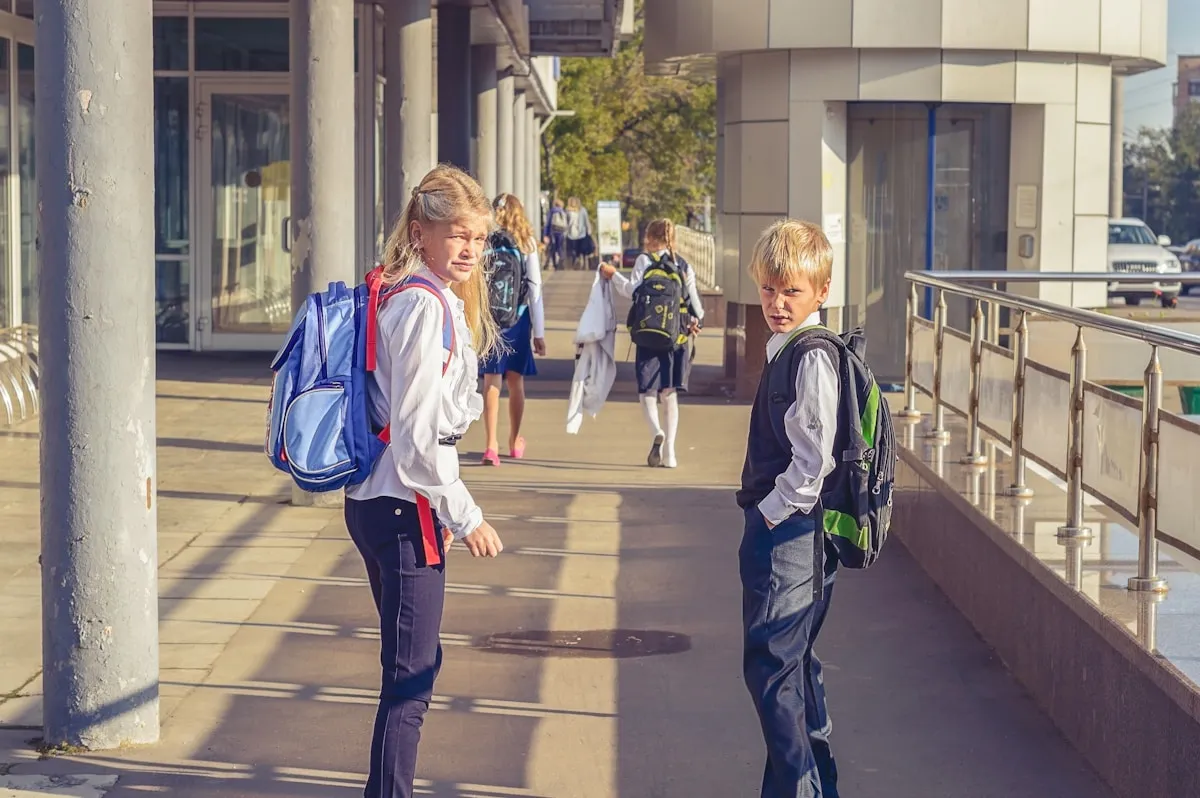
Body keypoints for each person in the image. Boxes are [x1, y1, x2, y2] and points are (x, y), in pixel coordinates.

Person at [344, 164, 506, 798]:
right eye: (458, 234)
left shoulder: (410, 294)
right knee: (410, 679)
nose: (471, 250)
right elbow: (416, 443)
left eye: (479, 238)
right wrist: (468, 517)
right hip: (403, 506)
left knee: (409, 667)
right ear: (420, 233)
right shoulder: (420, 305)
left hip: (380, 500)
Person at [734, 219, 841, 798]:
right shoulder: (791, 349)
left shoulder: (810, 356)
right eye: (769, 289)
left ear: (821, 292)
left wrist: (768, 515)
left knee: (773, 671)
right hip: (794, 531)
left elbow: (812, 462)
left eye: (792, 292)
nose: (777, 303)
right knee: (794, 667)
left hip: (790, 534)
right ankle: (817, 787)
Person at [599, 218, 703, 468]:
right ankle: (671, 454)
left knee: (647, 391)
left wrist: (613, 275)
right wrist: (694, 322)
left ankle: (657, 430)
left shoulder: (644, 261)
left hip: (648, 334)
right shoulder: (683, 265)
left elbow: (632, 291)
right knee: (669, 393)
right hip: (676, 337)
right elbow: (697, 308)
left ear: (649, 237)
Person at [480, 193, 546, 466]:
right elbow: (534, 288)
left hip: (490, 320)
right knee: (515, 381)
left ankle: (490, 445)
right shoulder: (525, 243)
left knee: (491, 380)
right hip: (517, 319)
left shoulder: (486, 240)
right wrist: (539, 333)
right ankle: (514, 441)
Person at [565, 196, 592, 270]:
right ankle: (575, 263)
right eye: (572, 202)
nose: (573, 203)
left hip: (581, 233)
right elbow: (566, 221)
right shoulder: (568, 210)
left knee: (582, 249)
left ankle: (583, 263)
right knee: (573, 250)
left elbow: (586, 220)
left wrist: (589, 230)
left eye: (575, 202)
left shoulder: (582, 210)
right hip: (571, 233)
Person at [542, 197, 568, 271]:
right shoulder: (563, 212)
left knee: (552, 248)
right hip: (561, 232)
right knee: (560, 248)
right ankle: (561, 263)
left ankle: (554, 264)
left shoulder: (552, 211)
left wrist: (545, 234)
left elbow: (547, 223)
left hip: (553, 232)